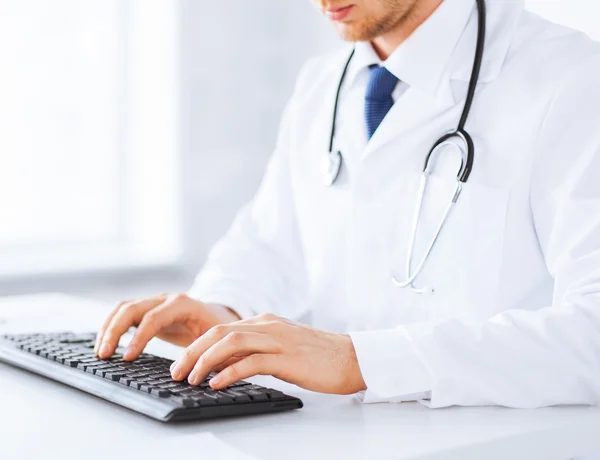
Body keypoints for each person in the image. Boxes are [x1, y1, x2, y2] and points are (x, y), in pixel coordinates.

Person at [95, 0, 600, 408]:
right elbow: (270, 245)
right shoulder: (323, 84)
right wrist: (223, 312)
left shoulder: (571, 80)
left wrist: (362, 361)